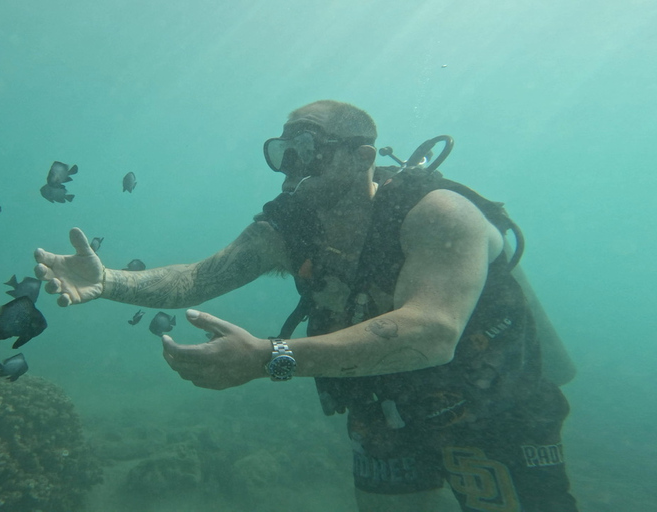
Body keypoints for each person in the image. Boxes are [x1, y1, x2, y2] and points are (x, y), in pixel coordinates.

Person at [34, 100, 577, 512]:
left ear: (363, 156)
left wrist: (270, 358)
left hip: (491, 405)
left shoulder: (438, 214)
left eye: (309, 150)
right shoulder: (292, 222)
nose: (291, 168)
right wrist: (108, 281)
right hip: (382, 409)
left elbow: (432, 332)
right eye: (282, 152)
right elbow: (198, 279)